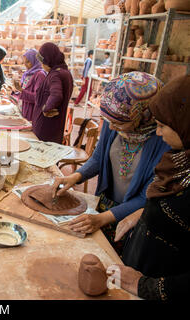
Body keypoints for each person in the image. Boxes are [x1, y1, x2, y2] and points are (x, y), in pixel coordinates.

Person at [52, 72, 170, 255]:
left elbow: (146, 197)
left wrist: (101, 219)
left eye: (118, 123)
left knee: (114, 261)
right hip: (106, 204)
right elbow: (99, 157)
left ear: (144, 115)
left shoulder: (165, 142)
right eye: (109, 122)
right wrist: (76, 176)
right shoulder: (113, 119)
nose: (112, 127)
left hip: (134, 215)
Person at [109, 75, 190, 300]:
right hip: (139, 267)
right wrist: (143, 212)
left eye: (163, 125)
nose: (158, 132)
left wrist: (143, 286)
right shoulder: (179, 159)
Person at [32, 42, 74, 144]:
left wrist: (46, 109)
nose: (42, 65)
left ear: (49, 60)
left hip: (45, 127)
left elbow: (56, 95)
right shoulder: (65, 72)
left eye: (43, 62)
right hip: (55, 127)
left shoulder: (56, 74)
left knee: (41, 155)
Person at [9, 49, 47, 121]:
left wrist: (20, 90)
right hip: (24, 109)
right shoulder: (27, 74)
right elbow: (23, 93)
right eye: (24, 62)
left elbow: (37, 98)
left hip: (32, 112)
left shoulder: (40, 75)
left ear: (35, 61)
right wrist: (14, 91)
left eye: (28, 62)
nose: (25, 64)